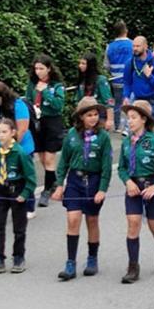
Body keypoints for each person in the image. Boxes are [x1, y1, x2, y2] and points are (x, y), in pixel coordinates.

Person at [52, 96, 113, 281]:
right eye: (89, 115)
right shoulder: (71, 135)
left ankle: (92, 258)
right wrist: (59, 185)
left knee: (92, 220)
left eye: (96, 114)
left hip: (93, 181)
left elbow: (106, 166)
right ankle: (70, 263)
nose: (93, 118)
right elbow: (63, 162)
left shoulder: (103, 137)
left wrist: (102, 189)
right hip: (75, 180)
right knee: (73, 219)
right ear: (81, 117)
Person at [117, 99, 154, 284]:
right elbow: (121, 167)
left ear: (144, 119)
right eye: (128, 118)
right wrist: (127, 181)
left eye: (134, 117)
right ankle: (133, 266)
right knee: (133, 223)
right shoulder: (126, 142)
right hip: (133, 187)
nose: (130, 121)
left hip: (152, 184)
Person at [0, 117, 36, 275]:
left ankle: (18, 256)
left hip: (16, 190)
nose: (0, 135)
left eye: (4, 132)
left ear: (12, 133)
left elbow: (31, 178)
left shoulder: (19, 153)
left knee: (19, 227)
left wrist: (25, 194)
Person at [25, 54, 66, 208]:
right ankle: (54, 181)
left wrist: (46, 92)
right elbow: (28, 99)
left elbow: (58, 105)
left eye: (41, 68)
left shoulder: (56, 85)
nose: (38, 72)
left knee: (49, 158)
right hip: (37, 121)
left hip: (52, 122)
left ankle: (47, 190)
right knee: (42, 157)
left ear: (49, 69)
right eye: (36, 68)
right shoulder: (32, 83)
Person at [123, 36, 154, 140]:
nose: (135, 48)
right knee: (136, 131)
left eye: (138, 46)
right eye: (133, 46)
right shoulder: (130, 63)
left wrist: (150, 77)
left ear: (145, 46)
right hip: (138, 101)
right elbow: (127, 82)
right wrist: (126, 96)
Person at [105, 21, 134, 132]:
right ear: (126, 31)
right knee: (129, 102)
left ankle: (117, 126)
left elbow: (106, 65)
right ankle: (127, 127)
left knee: (117, 103)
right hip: (129, 79)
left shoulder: (110, 46)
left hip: (115, 78)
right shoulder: (132, 44)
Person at [75, 52, 114, 130]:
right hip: (84, 114)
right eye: (80, 63)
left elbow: (108, 101)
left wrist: (110, 120)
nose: (80, 66)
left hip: (99, 115)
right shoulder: (82, 80)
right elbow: (78, 100)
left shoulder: (101, 80)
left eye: (83, 64)